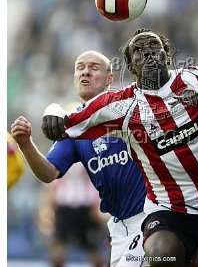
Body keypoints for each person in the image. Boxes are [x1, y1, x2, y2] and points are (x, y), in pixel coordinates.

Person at [41, 28, 198, 267]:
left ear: (167, 55)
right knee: (161, 254)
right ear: (131, 65)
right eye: (138, 50)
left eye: (153, 47)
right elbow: (66, 121)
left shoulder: (196, 79)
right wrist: (51, 110)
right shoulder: (122, 105)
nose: (147, 53)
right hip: (171, 210)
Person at [10, 50, 149, 267]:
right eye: (80, 67)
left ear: (110, 79)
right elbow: (49, 174)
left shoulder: (129, 108)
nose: (85, 72)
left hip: (149, 216)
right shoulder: (73, 128)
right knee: (59, 256)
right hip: (118, 225)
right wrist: (26, 144)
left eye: (94, 68)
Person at [37, 161, 106, 267]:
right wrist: (47, 209)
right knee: (57, 254)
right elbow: (51, 181)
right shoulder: (59, 152)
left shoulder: (90, 151)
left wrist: (97, 205)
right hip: (64, 207)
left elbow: (97, 178)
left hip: (86, 208)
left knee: (95, 252)